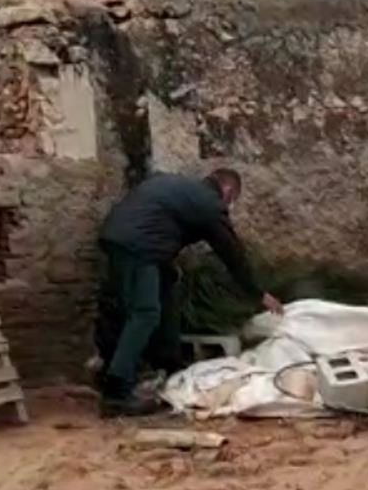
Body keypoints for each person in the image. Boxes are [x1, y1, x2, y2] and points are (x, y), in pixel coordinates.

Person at [93, 168, 282, 417]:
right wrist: (258, 293)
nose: (229, 207)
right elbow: (232, 253)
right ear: (227, 191)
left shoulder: (184, 189)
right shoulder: (210, 205)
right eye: (232, 200)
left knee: (160, 294)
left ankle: (166, 365)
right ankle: (116, 391)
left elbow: (153, 218)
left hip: (119, 238)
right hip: (140, 247)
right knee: (145, 313)